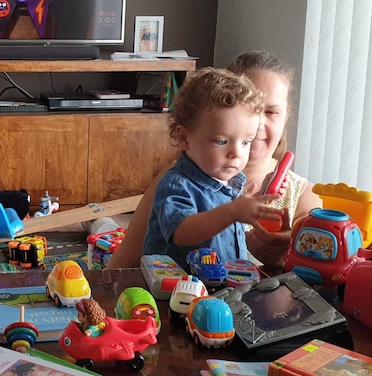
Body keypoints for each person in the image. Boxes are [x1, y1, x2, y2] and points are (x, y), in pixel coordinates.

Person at [106, 50, 323, 269]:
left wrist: (282, 255)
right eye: (241, 109)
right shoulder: (176, 181)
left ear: (287, 115)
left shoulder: (304, 195)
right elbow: (120, 268)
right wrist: (234, 213)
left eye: (270, 112)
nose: (256, 125)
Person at [141, 67, 284, 263]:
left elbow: (227, 231)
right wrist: (232, 212)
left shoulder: (229, 184)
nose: (236, 153)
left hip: (222, 283)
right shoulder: (176, 184)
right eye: (222, 141)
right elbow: (182, 232)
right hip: (177, 289)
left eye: (246, 142)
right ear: (185, 138)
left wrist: (256, 201)